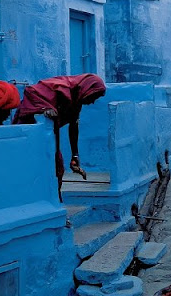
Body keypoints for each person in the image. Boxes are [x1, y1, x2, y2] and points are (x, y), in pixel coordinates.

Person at [13, 73, 106, 202]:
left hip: (50, 136)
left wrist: (75, 156)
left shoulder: (76, 99)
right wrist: (44, 107)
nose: (93, 101)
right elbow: (31, 91)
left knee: (57, 168)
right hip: (30, 134)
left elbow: (74, 126)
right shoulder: (61, 87)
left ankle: (55, 202)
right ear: (87, 88)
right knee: (35, 170)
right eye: (94, 96)